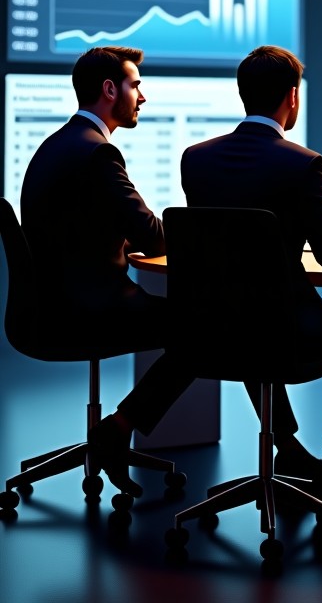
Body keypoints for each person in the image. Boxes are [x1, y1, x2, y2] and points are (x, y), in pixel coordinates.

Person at [180, 45, 322, 517]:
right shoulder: (302, 164)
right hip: (287, 330)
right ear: (292, 97)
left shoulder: (195, 160)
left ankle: (290, 448)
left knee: (247, 314)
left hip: (216, 327)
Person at [19, 46, 194, 497]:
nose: (143, 97)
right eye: (136, 85)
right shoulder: (98, 154)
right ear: (110, 89)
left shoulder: (59, 144)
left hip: (47, 307)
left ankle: (115, 429)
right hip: (90, 309)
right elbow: (154, 237)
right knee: (202, 327)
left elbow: (83, 225)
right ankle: (118, 427)